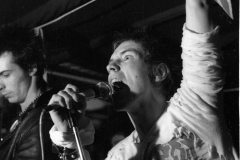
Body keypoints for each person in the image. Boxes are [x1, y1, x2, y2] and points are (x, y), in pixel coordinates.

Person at [48, 0, 238, 159]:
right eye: (110, 63)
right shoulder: (119, 155)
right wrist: (68, 135)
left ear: (158, 72)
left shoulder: (193, 107)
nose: (110, 67)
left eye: (126, 57)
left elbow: (199, 17)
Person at [0, 25, 94, 160]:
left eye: (6, 75)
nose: (0, 85)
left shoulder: (41, 118)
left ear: (31, 67)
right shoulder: (30, 117)